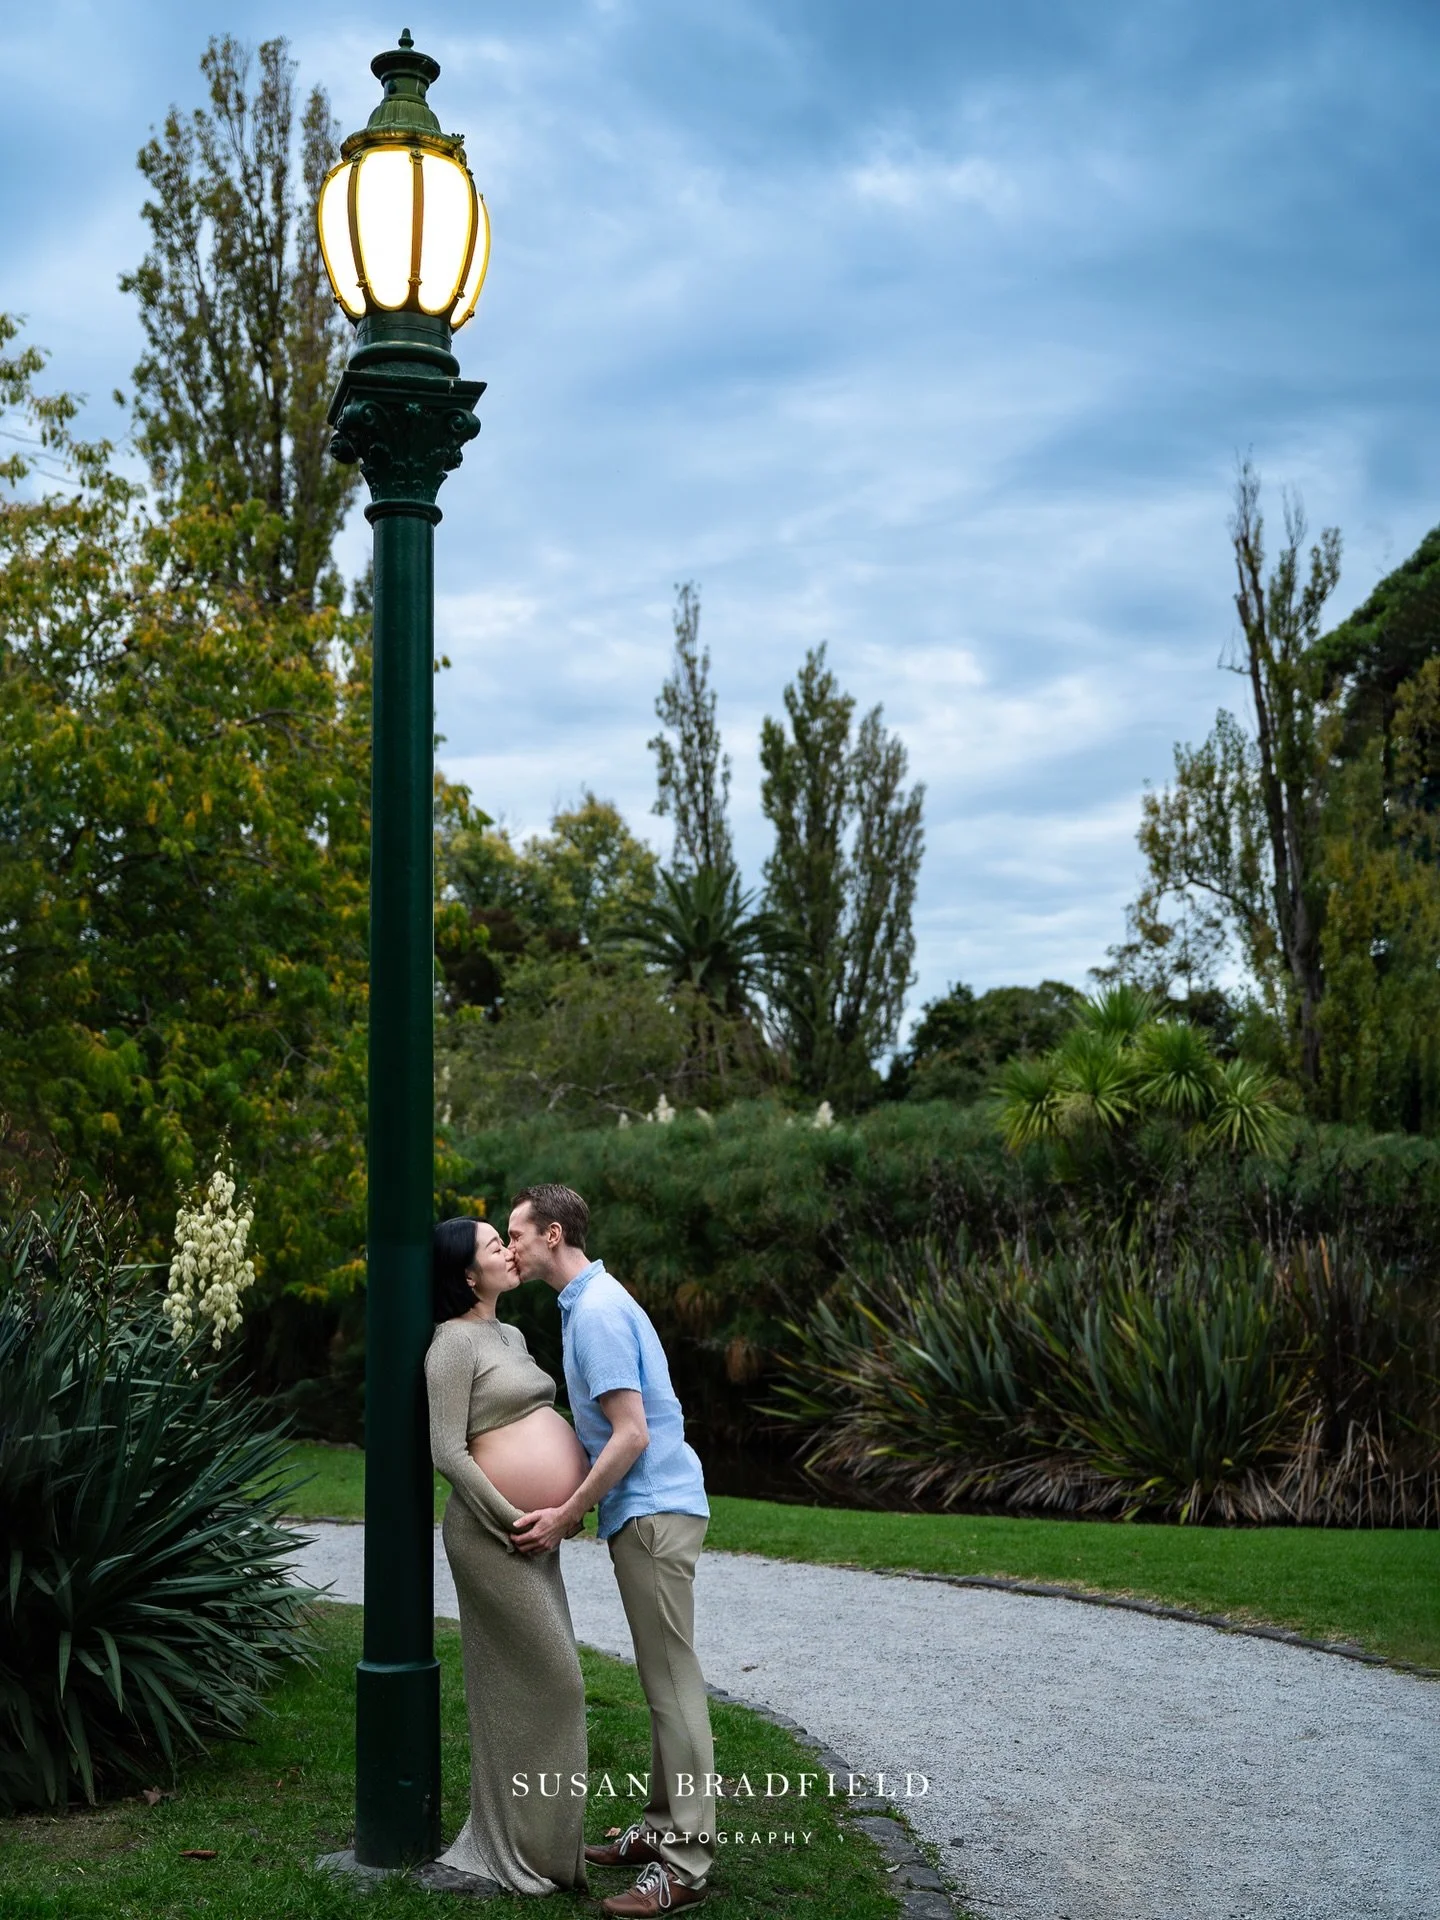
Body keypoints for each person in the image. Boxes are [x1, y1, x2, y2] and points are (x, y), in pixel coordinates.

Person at [507, 1183, 714, 1919]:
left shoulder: (594, 1312)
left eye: (519, 1235)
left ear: (554, 1234)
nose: (512, 1247)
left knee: (674, 1687)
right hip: (651, 1514)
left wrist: (566, 1513)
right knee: (665, 1685)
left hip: (654, 1515)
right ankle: (660, 1832)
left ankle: (684, 1866)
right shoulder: (587, 1303)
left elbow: (631, 1433)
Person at [423, 1215, 591, 1896]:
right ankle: (503, 1850)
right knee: (556, 1683)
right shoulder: (451, 1347)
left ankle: (547, 1853)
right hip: (492, 1537)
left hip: (535, 1535)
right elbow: (447, 1452)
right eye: (496, 1246)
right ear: (467, 1273)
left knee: (544, 1689)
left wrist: (568, 1508)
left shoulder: (511, 1334)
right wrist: (515, 1519)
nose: (508, 1251)